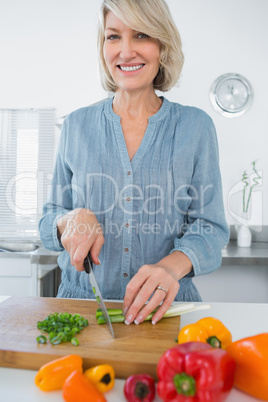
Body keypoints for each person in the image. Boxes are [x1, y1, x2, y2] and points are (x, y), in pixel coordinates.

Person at [39, 0, 229, 326]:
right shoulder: (76, 126)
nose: (126, 51)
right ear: (103, 48)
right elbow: (47, 223)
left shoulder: (196, 127)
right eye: (114, 37)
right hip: (80, 312)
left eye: (141, 35)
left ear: (162, 46)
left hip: (166, 313)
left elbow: (210, 229)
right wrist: (67, 220)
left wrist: (170, 266)